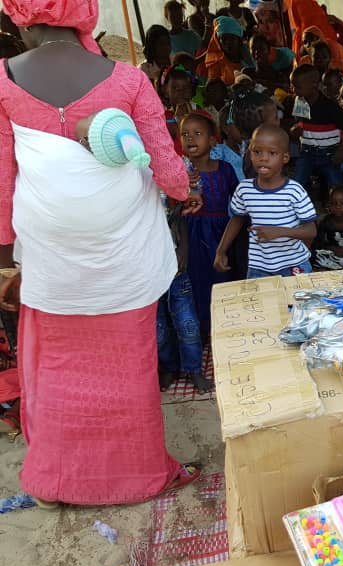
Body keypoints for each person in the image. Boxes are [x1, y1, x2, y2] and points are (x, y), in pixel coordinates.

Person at [0, 0, 203, 507]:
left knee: (56, 371)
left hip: (51, 260)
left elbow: (3, 182)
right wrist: (185, 190)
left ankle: (54, 484)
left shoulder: (3, 79)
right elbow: (168, 170)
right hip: (123, 257)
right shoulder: (129, 80)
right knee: (128, 367)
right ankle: (139, 477)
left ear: (28, 15)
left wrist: (6, 260)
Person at [213, 125, 317, 278]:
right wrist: (220, 251)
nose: (263, 158)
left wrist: (279, 232)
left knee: (294, 302)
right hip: (258, 267)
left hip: (293, 265)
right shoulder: (245, 189)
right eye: (257, 152)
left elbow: (311, 231)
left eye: (272, 153)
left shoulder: (294, 191)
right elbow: (236, 220)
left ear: (285, 158)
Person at [178, 112, 239, 335]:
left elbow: (239, 201)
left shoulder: (225, 169)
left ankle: (225, 329)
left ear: (212, 140)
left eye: (197, 133)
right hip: (192, 233)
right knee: (197, 281)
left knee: (222, 279)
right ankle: (202, 332)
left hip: (222, 233)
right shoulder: (180, 172)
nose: (190, 139)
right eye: (185, 134)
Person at [157, 211, 212, 393]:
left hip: (175, 270)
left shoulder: (161, 193)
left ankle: (193, 369)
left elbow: (178, 216)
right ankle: (169, 367)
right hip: (146, 274)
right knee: (159, 329)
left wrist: (184, 249)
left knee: (188, 324)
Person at [285, 63, 343, 201]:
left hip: (329, 154)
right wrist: (294, 130)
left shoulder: (329, 107)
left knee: (337, 186)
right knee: (297, 182)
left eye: (297, 86)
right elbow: (297, 124)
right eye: (292, 85)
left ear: (314, 84)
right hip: (307, 152)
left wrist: (341, 150)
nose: (293, 89)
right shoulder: (299, 101)